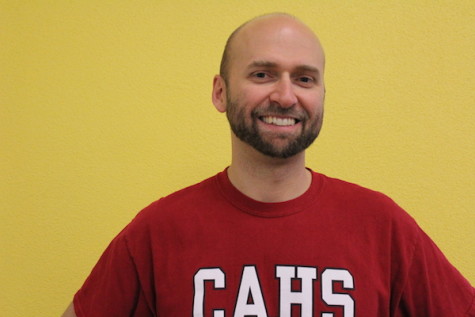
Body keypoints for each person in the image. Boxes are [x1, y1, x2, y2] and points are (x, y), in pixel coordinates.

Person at [62, 13, 474, 317]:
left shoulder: (382, 225)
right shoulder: (157, 231)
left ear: (322, 96)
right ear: (220, 93)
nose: (285, 95)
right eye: (262, 74)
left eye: (305, 79)